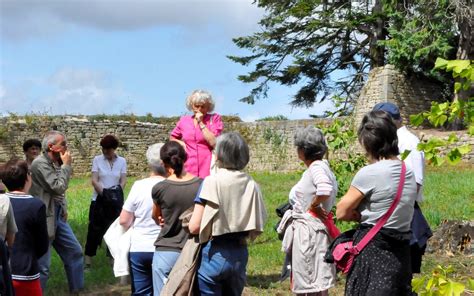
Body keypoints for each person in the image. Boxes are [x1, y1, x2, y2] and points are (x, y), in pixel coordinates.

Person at [336, 110, 417, 295]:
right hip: (401, 256)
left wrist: (357, 215)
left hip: (373, 255)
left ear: (368, 142)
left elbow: (341, 212)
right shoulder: (409, 173)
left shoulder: (370, 173)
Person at [188, 132, 267, 296]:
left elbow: (195, 226)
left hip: (214, 252)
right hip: (240, 252)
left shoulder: (211, 181)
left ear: (218, 155)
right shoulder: (252, 183)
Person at [372, 102, 432, 273]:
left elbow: (415, 183)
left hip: (404, 215)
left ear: (388, 121)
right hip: (395, 214)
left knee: (401, 276)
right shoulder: (394, 141)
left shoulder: (408, 142)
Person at [279, 127, 337, 295]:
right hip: (313, 230)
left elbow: (324, 189)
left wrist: (313, 205)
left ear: (303, 150)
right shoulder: (321, 166)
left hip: (309, 233)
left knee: (310, 281)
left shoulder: (317, 167)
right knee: (315, 280)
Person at [29, 130, 84, 294]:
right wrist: (67, 165)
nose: (67, 147)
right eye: (63, 144)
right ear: (51, 147)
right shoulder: (39, 163)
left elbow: (60, 191)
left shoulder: (55, 162)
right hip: (44, 218)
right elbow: (57, 186)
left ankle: (76, 291)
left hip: (58, 215)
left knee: (75, 252)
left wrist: (64, 207)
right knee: (43, 266)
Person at [151, 141, 202, 295]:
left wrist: (161, 219)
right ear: (185, 158)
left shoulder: (159, 188)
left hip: (166, 251)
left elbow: (156, 215)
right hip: (193, 251)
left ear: (162, 163)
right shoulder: (201, 184)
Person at [119, 143, 167, 296]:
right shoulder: (174, 186)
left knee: (141, 292)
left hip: (140, 247)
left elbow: (124, 220)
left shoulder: (138, 186)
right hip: (166, 248)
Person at [1, 159, 49, 296]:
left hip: (3, 269)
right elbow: (42, 245)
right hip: (25, 271)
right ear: (27, 177)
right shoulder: (35, 205)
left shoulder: (1, 201)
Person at [84, 134, 127, 268]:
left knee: (114, 230)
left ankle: (113, 261)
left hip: (115, 201)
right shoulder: (97, 160)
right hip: (99, 199)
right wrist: (104, 194)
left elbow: (123, 179)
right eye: (103, 148)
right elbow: (94, 180)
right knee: (94, 231)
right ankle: (87, 262)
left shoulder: (122, 161)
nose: (105, 151)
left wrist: (116, 192)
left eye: (108, 149)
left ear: (114, 149)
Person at [170, 90, 224, 178]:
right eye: (196, 106)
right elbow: (172, 138)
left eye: (203, 107)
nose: (199, 109)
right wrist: (182, 144)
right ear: (191, 105)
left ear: (208, 107)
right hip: (187, 166)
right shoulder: (184, 121)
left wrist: (201, 123)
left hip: (208, 167)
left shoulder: (214, 119)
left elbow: (214, 142)